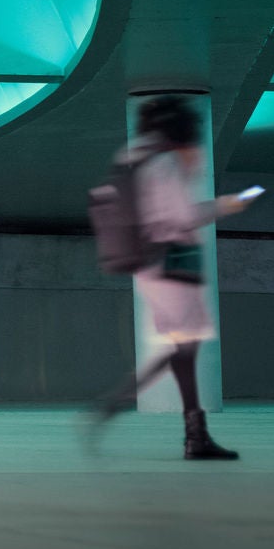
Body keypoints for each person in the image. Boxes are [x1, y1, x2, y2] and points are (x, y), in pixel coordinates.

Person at [84, 95, 254, 460]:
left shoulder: (132, 155)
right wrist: (227, 205)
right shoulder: (166, 161)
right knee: (184, 347)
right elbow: (183, 216)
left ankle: (194, 436)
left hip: (145, 266)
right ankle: (121, 404)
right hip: (174, 262)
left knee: (181, 348)